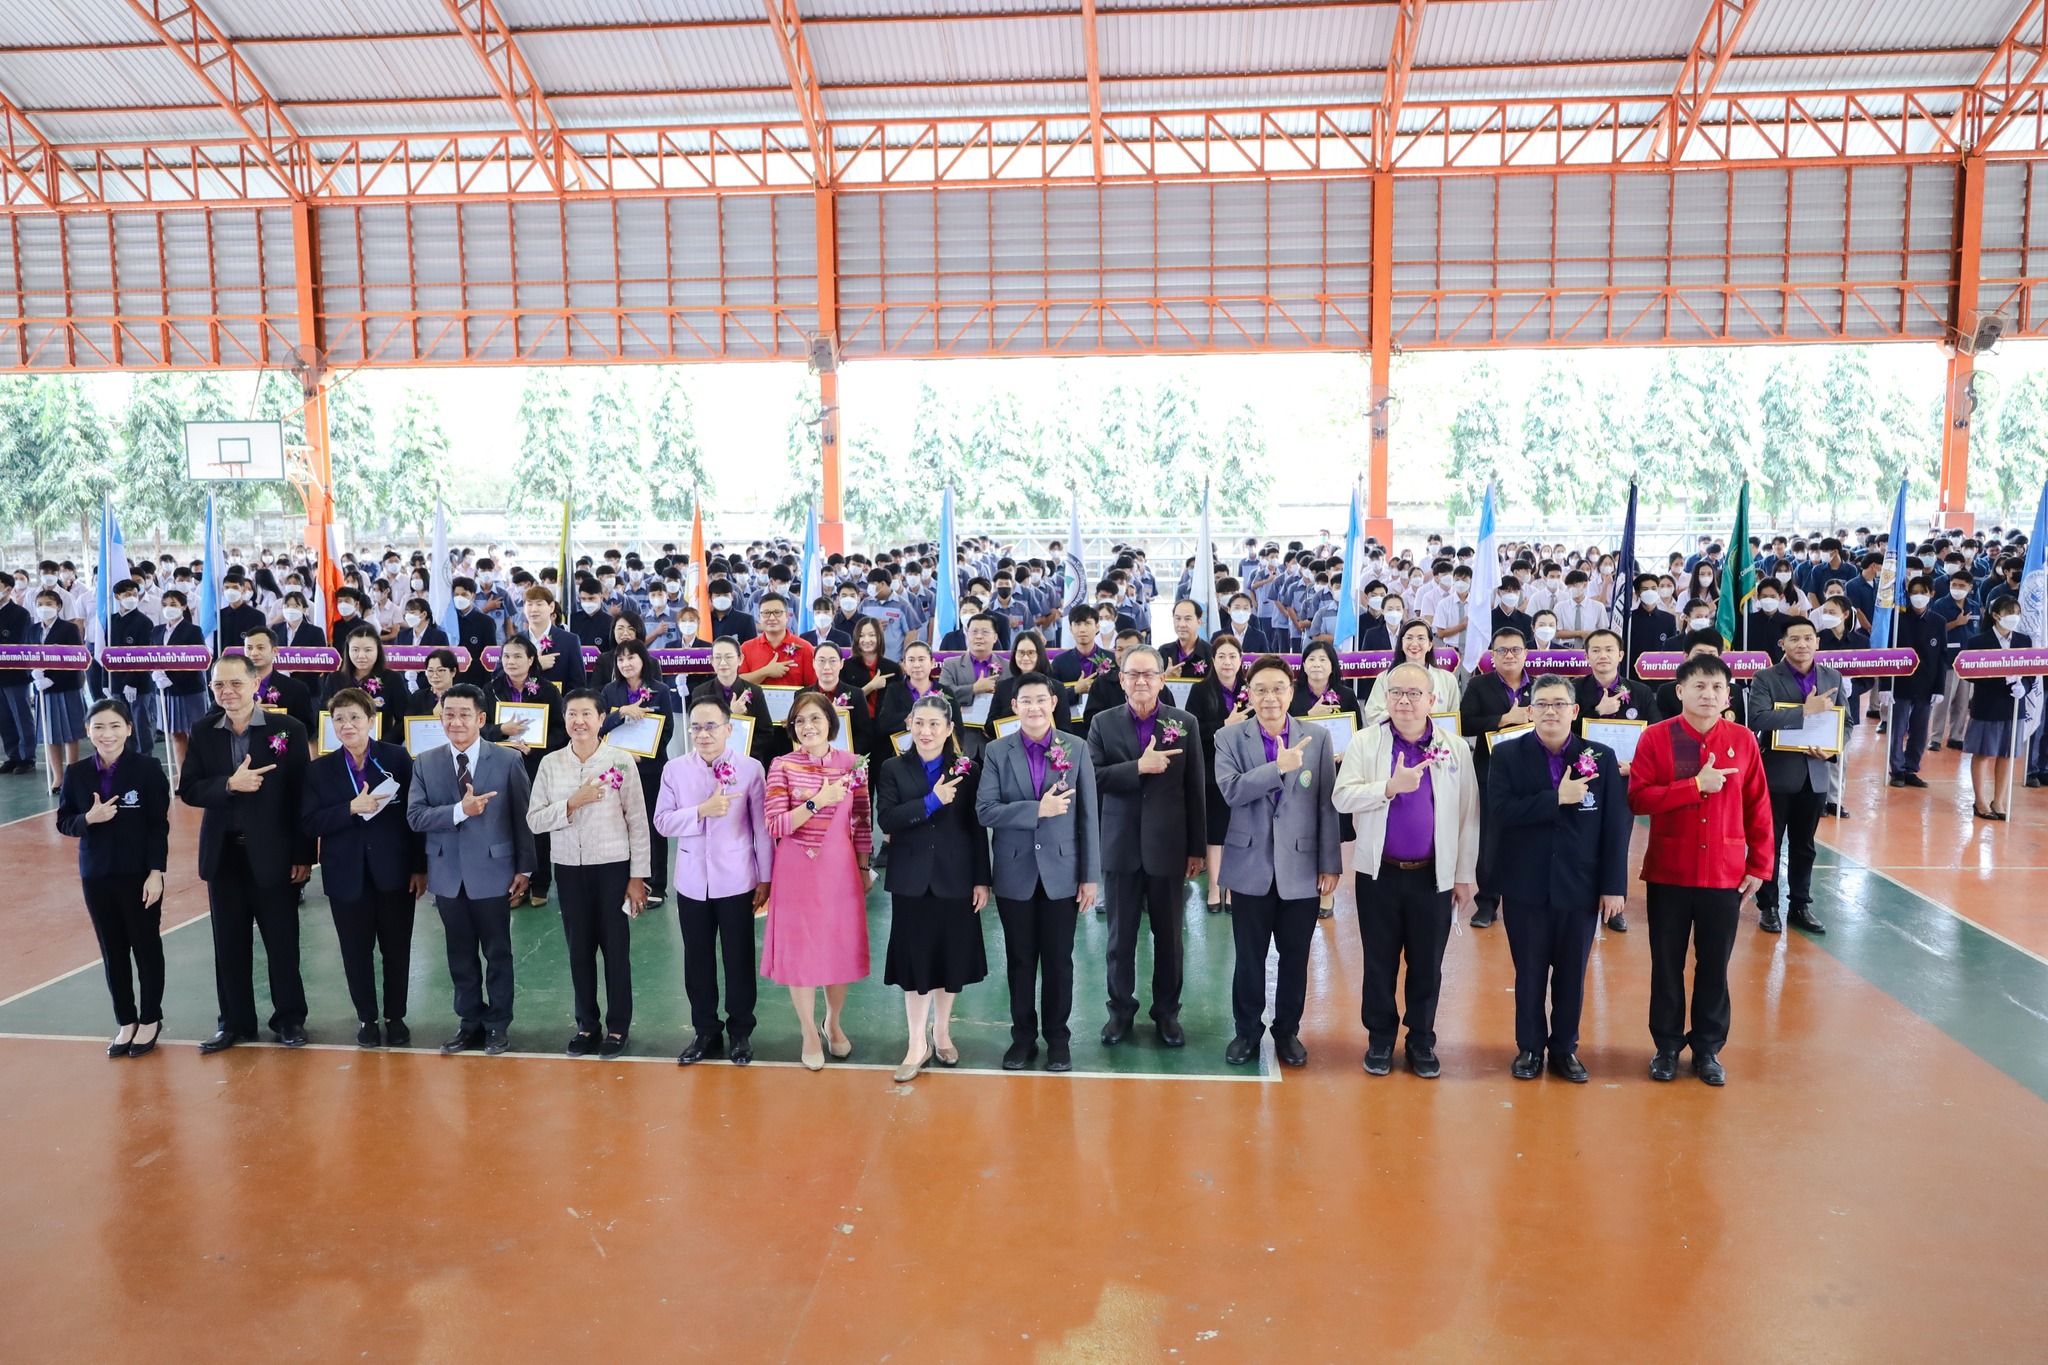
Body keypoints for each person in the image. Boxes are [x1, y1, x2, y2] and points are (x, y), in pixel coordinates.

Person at [1627, 654, 1774, 1085]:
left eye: (1716, 687)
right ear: (1680, 691)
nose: (1708, 695)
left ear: (1728, 695)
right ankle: (1667, 1046)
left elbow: (1759, 807)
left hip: (1724, 874)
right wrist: (1693, 787)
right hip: (1669, 871)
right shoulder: (1656, 738)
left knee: (1715, 964)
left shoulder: (1743, 740)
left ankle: (1708, 1048)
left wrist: (1760, 865)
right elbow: (1639, 798)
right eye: (1699, 686)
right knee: (1666, 963)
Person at [1335, 661, 1481, 1079]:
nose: (1404, 701)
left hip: (1432, 876)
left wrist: (1463, 874)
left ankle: (1421, 1039)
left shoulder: (1454, 748)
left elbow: (1469, 815)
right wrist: (1387, 788)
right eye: (1396, 692)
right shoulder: (1366, 743)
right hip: (1378, 874)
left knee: (1426, 962)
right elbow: (1342, 797)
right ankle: (1380, 1038)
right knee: (1378, 961)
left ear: (1432, 700)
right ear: (1385, 697)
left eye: (1414, 694)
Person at [1486, 675, 1632, 1082]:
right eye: (1542, 704)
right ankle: (1530, 1048)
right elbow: (1500, 812)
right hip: (1525, 885)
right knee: (1529, 974)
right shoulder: (1507, 755)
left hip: (1580, 886)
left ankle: (1565, 1048)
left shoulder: (1600, 756)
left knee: (1572, 974)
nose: (1550, 711)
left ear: (1574, 710)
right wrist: (1556, 800)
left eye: (1558, 704)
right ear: (1529, 711)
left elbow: (1614, 828)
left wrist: (1613, 886)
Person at [179, 654, 314, 1053]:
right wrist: (228, 785)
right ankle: (234, 1022)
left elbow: (301, 797)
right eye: (219, 685)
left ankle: (289, 1019)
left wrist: (304, 855)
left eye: (236, 683)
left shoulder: (286, 729)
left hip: (274, 855)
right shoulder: (203, 730)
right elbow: (189, 789)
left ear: (256, 683)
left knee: (282, 943)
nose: (227, 692)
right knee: (229, 945)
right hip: (224, 857)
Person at [1213, 656, 1341, 1067]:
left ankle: (1287, 1032)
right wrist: (1276, 768)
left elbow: (1326, 805)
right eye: (1261, 689)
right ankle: (1247, 1032)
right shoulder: (1228, 738)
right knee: (1248, 958)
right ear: (1248, 693)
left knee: (1295, 956)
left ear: (1291, 691)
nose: (1270, 697)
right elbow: (1231, 791)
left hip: (1301, 867)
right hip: (1250, 865)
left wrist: (1330, 862)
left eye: (1278, 688)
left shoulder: (1318, 738)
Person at [975, 672, 1100, 1072]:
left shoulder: (1076, 748)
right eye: (1025, 700)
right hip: (1015, 873)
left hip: (1063, 872)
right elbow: (985, 810)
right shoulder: (996, 751)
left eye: (1041, 700)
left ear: (1054, 703)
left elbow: (1088, 818)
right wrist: (1037, 810)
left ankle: (1058, 1040)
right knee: (1020, 960)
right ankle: (1023, 1038)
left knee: (1060, 961)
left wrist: (1090, 875)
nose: (1033, 707)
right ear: (1014, 707)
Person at [407, 684, 536, 1056]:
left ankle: (498, 1025)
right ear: (440, 717)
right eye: (449, 713)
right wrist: (460, 811)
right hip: (448, 874)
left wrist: (525, 869)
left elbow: (521, 819)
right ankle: (469, 1022)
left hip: (495, 872)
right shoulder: (425, 762)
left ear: (481, 719)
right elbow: (415, 816)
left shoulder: (508, 760)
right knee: (459, 953)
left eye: (465, 714)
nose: (456, 721)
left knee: (498, 952)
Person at [1087, 643, 1206, 1048]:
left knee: (1170, 938)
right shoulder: (1102, 723)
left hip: (1168, 847)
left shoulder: (1185, 722)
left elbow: (1195, 790)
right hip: (1120, 846)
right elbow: (1094, 778)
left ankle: (1166, 1015)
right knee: (1120, 939)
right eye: (1133, 674)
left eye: (1148, 674)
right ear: (1120, 680)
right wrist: (1137, 767)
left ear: (1162, 678)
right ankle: (1120, 1012)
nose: (1141, 681)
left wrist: (1197, 849)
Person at [528, 690, 652, 1059]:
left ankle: (617, 1028)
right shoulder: (550, 764)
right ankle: (586, 1024)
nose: (578, 721)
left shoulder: (621, 761)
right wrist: (571, 804)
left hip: (613, 867)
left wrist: (637, 876)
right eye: (571, 714)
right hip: (568, 868)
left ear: (602, 719)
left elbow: (638, 822)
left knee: (616, 950)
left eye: (586, 714)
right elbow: (534, 820)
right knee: (578, 949)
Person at [300, 687, 427, 1048]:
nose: (347, 724)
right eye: (339, 719)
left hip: (395, 872)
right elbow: (309, 823)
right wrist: (350, 808)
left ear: (372, 721)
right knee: (355, 952)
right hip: (346, 876)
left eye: (355, 717)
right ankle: (367, 1019)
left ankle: (395, 1017)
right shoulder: (320, 770)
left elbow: (412, 817)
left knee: (397, 949)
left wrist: (419, 868)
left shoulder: (397, 759)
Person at [876, 694, 992, 1082]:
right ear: (909, 723)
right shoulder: (892, 768)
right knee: (916, 963)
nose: (926, 731)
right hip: (911, 880)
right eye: (919, 723)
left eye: (934, 724)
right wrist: (931, 801)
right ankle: (915, 1042)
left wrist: (981, 879)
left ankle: (941, 1032)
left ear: (949, 729)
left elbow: (977, 830)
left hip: (956, 878)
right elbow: (889, 820)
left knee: (949, 960)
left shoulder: (968, 769)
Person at [654, 694, 774, 1066]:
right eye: (696, 727)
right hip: (691, 881)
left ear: (728, 728)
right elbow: (662, 821)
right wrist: (701, 812)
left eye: (711, 726)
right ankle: (705, 1030)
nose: (703, 734)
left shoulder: (751, 768)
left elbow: (761, 830)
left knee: (738, 959)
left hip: (738, 880)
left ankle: (740, 1032)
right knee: (698, 960)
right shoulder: (675, 770)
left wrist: (766, 879)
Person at [761, 692, 873, 1070]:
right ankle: (809, 1031)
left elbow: (862, 820)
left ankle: (833, 1022)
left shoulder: (853, 764)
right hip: (796, 869)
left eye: (815, 719)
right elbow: (775, 824)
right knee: (802, 951)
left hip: (839, 869)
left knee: (836, 948)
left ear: (831, 722)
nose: (807, 727)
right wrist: (816, 802)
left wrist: (862, 867)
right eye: (799, 721)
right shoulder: (781, 765)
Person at [56, 699, 171, 1058]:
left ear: (129, 729)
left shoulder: (148, 769)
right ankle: (126, 1020)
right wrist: (88, 819)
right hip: (96, 876)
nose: (107, 734)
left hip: (138, 875)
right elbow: (64, 821)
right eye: (99, 727)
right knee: (112, 951)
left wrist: (156, 873)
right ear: (88, 731)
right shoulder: (76, 773)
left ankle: (151, 1018)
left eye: (115, 726)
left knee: (146, 946)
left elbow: (158, 825)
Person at [1744, 618, 1844, 935]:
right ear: (1782, 644)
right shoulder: (1765, 678)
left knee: (1805, 845)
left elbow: (1847, 723)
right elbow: (1758, 718)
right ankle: (1768, 907)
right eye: (1794, 639)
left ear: (1817, 642)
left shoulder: (1833, 677)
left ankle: (1800, 904)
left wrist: (1834, 750)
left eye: (1808, 638)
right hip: (1776, 775)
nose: (1802, 644)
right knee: (1768, 844)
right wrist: (1805, 710)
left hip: (1815, 775)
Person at [1459, 626, 1536, 928]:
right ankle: (1487, 903)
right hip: (1490, 771)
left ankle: (1525, 896)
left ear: (1526, 653)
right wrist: (1504, 719)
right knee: (1490, 838)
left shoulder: (1541, 685)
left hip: (1532, 773)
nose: (1509, 655)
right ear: (1492, 655)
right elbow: (1464, 723)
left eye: (1515, 649)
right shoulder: (1479, 685)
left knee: (1530, 836)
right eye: (1501, 650)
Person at [488, 635, 567, 907]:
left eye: (517, 656)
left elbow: (560, 731)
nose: (511, 661)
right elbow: (479, 729)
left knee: (537, 824)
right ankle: (515, 885)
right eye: (506, 656)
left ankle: (541, 882)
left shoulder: (547, 690)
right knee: (508, 824)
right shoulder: (491, 689)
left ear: (531, 660)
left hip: (535, 765)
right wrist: (501, 731)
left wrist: (536, 747)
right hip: (500, 766)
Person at [1185, 631, 1252, 911]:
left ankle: (1233, 888)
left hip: (1245, 770)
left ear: (1241, 660)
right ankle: (1214, 887)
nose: (1227, 662)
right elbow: (1192, 731)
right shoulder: (1201, 691)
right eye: (1221, 656)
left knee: (1238, 831)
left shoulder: (1250, 689)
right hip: (1212, 772)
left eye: (1232, 656)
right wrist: (1224, 724)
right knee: (1215, 832)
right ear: (1213, 660)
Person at [1963, 596, 2031, 821]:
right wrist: (2003, 679)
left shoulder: (2024, 640)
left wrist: (2024, 686)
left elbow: (2030, 673)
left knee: (2007, 754)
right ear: (1995, 615)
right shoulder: (1978, 642)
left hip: (2014, 705)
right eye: (2009, 612)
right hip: (1988, 704)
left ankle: (1998, 799)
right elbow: (1972, 675)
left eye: (2017, 612)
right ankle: (1980, 800)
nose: (2014, 617)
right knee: (1983, 752)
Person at [1887, 574, 1948, 789]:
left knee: (1920, 730)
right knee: (1897, 729)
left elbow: (1942, 656)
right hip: (1901, 685)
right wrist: (1885, 686)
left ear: (1931, 594)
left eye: (1923, 592)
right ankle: (1896, 769)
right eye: (1913, 592)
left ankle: (1911, 768)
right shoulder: (1896, 620)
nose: (1918, 596)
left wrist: (1939, 688)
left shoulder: (1939, 622)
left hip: (1927, 685)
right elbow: (1887, 655)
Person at [28, 587, 86, 790]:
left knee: (70, 733)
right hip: (42, 689)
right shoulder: (33, 629)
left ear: (58, 606)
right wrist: (34, 675)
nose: (44, 608)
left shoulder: (68, 629)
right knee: (50, 735)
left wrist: (53, 680)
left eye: (49, 604)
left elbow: (75, 660)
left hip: (66, 685)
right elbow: (26, 656)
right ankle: (57, 777)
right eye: (40, 604)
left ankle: (72, 775)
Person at [691, 636, 775, 766]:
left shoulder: (755, 691)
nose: (723, 663)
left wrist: (740, 752)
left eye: (729, 657)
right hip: (712, 761)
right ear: (711, 661)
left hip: (747, 760)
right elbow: (698, 730)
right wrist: (733, 715)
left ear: (740, 659)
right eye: (718, 657)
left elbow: (766, 733)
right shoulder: (701, 692)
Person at [1360, 618, 1459, 723]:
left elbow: (1453, 719)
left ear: (1430, 645)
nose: (1414, 643)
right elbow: (1372, 714)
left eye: (1421, 638)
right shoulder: (1384, 678)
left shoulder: (1447, 680)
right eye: (1409, 638)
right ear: (1401, 643)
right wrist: (1405, 715)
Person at [322, 628, 408, 742]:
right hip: (343, 745)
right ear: (348, 651)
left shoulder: (392, 679)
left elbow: (403, 720)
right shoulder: (335, 679)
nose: (361, 655)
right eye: (355, 650)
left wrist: (383, 744)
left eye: (368, 650)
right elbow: (324, 717)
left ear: (378, 650)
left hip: (381, 748)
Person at [987, 630, 1070, 739]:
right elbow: (989, 727)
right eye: (1021, 652)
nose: (1025, 658)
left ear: (1040, 654)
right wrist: (1014, 709)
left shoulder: (1056, 687)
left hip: (1047, 751)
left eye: (1031, 653)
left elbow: (1065, 729)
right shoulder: (1002, 687)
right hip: (1009, 750)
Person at [873, 638, 944, 763]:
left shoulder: (945, 692)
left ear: (932, 663)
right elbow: (885, 722)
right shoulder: (894, 690)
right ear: (904, 665)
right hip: (900, 757)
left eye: (921, 659)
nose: (916, 665)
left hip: (938, 757)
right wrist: (911, 720)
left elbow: (956, 728)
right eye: (911, 660)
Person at [514, 585, 587, 691]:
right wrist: (536, 666)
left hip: (558, 704)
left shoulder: (569, 641)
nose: (534, 609)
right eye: (529, 604)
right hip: (521, 705)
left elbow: (578, 684)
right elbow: (500, 676)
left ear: (551, 607)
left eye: (539, 604)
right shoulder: (514, 641)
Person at [739, 593, 818, 690]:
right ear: (759, 617)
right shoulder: (746, 648)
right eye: (766, 613)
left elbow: (814, 688)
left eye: (777, 612)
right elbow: (738, 683)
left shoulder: (805, 648)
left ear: (787, 616)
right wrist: (766, 672)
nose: (772, 618)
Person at [939, 613, 1005, 722]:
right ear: (967, 636)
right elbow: (942, 695)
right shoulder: (950, 665)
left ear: (995, 637)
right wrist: (973, 689)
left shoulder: (1008, 667)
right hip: (963, 729)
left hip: (998, 730)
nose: (979, 636)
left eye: (985, 632)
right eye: (974, 632)